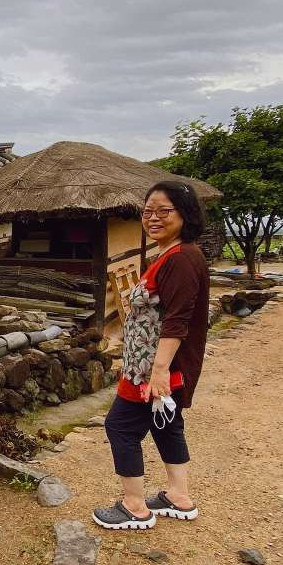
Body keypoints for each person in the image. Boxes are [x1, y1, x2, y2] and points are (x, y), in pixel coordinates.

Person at [92, 180, 210, 530]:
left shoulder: (182, 259)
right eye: (147, 212)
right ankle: (178, 496)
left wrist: (159, 371)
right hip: (155, 365)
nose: (153, 218)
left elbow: (177, 320)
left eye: (164, 211)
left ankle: (134, 507)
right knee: (166, 424)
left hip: (152, 368)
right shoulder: (172, 254)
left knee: (120, 426)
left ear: (185, 214)